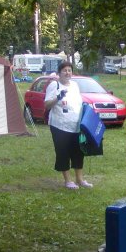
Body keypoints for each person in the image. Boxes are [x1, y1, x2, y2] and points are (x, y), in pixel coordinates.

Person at [44, 61, 93, 189]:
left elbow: (78, 102)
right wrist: (57, 98)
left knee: (78, 152)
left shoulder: (75, 85)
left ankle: (79, 179)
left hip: (76, 125)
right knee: (63, 152)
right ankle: (67, 181)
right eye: (64, 70)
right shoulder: (54, 85)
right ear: (59, 72)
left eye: (69, 70)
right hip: (59, 125)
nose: (67, 73)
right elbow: (47, 105)